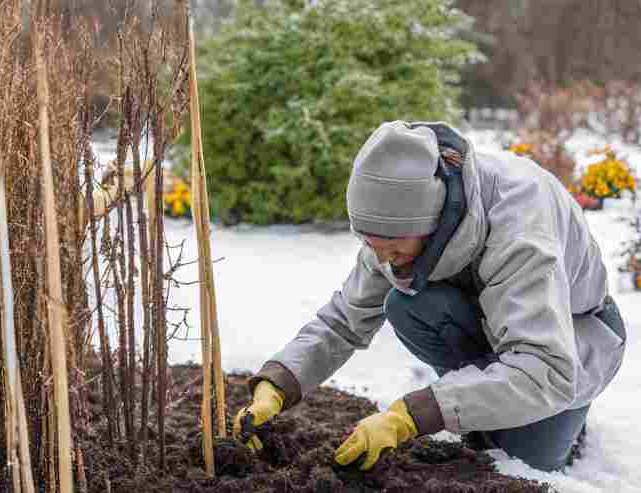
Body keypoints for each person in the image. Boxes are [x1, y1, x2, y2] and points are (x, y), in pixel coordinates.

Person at [232, 121, 627, 472]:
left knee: (525, 461)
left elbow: (546, 369)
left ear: (436, 223)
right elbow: (344, 320)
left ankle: (566, 424)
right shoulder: (395, 229)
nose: (382, 260)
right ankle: (481, 406)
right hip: (490, 324)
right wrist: (280, 383)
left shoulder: (521, 226)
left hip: (570, 340)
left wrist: (413, 414)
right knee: (410, 305)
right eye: (372, 246)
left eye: (394, 250)